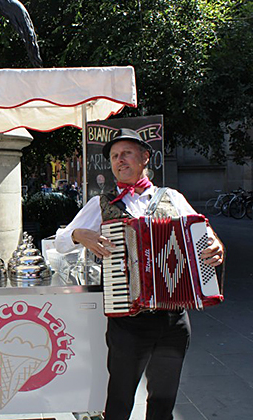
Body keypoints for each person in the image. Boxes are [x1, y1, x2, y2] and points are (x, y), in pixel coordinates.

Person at [54, 128, 224, 420]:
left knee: (164, 400)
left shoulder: (172, 197)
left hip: (173, 318)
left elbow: (203, 233)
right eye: (114, 156)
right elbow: (59, 242)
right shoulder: (100, 204)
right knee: (119, 400)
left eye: (126, 153)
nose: (119, 161)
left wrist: (217, 245)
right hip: (127, 322)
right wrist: (80, 234)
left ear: (145, 157)